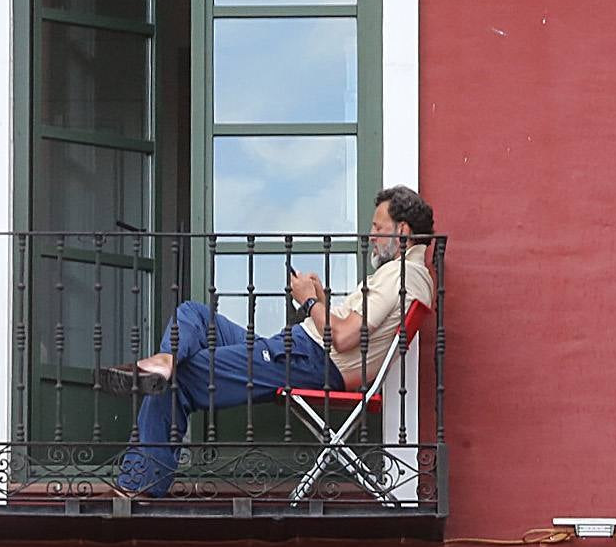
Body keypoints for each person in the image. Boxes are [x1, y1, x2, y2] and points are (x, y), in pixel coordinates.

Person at [106, 185, 436, 497]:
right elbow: (348, 332)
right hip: (298, 353)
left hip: (307, 360)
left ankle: (142, 482)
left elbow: (346, 337)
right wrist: (320, 302)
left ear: (403, 231)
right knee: (194, 314)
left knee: (183, 377)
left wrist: (309, 302)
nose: (372, 236)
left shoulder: (401, 274)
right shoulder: (409, 275)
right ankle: (166, 359)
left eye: (378, 228)